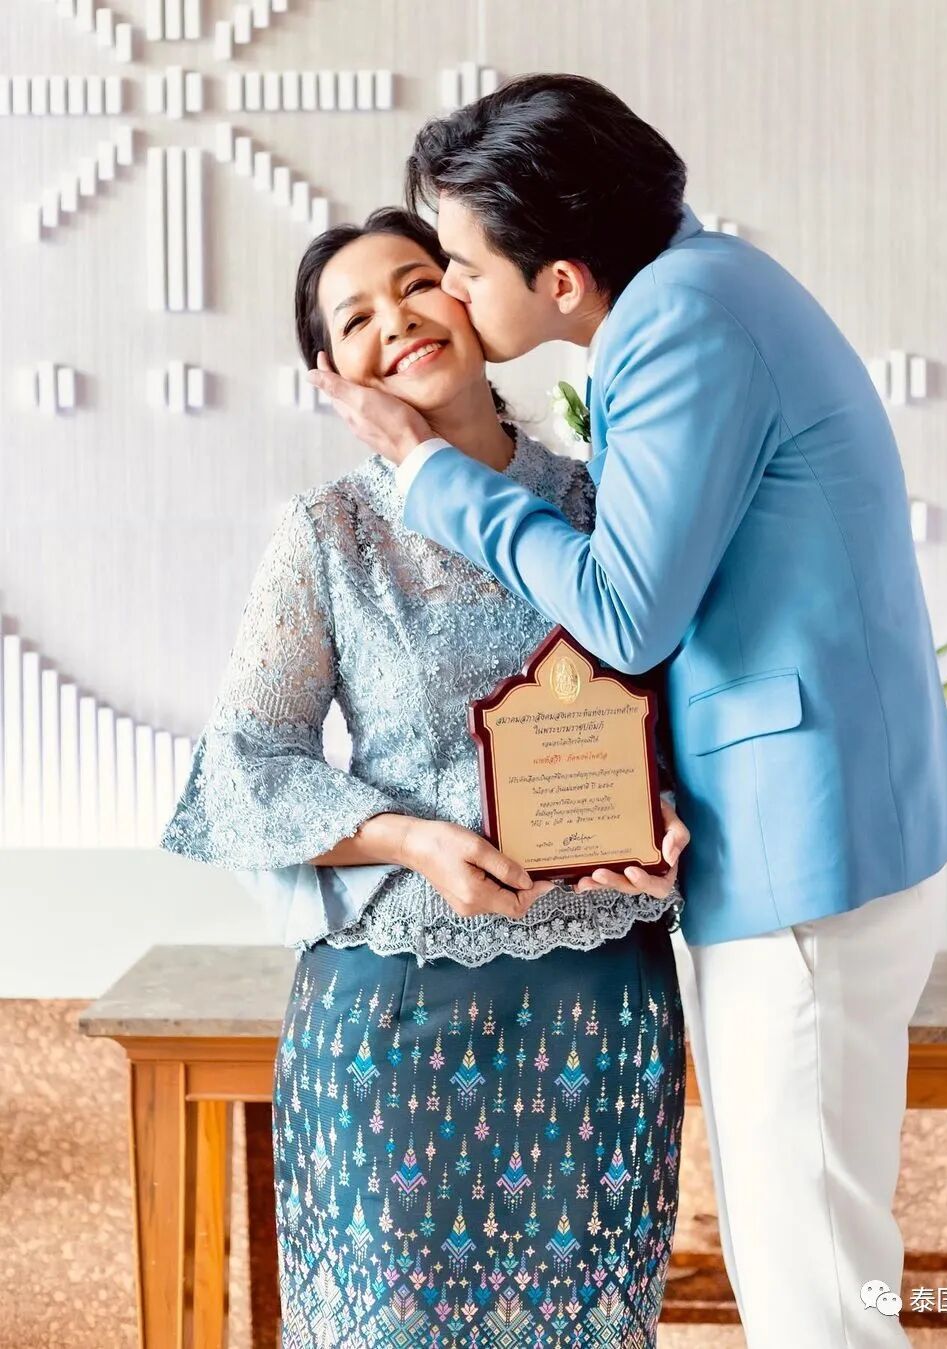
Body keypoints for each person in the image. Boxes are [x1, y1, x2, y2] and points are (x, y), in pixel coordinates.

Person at [306, 76, 947, 1348]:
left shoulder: (681, 324)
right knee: (810, 1257)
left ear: (560, 279)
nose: (450, 296)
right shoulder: (702, 289)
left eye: (459, 266)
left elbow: (626, 612)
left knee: (813, 1285)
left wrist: (428, 469)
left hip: (806, 849)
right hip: (804, 830)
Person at [160, 206, 691, 1347]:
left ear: (471, 292)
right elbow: (243, 768)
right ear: (333, 373)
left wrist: (670, 816)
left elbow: (684, 716)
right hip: (396, 1004)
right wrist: (411, 839)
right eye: (355, 318)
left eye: (415, 283)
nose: (396, 321)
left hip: (598, 1000)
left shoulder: (605, 503)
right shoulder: (330, 534)